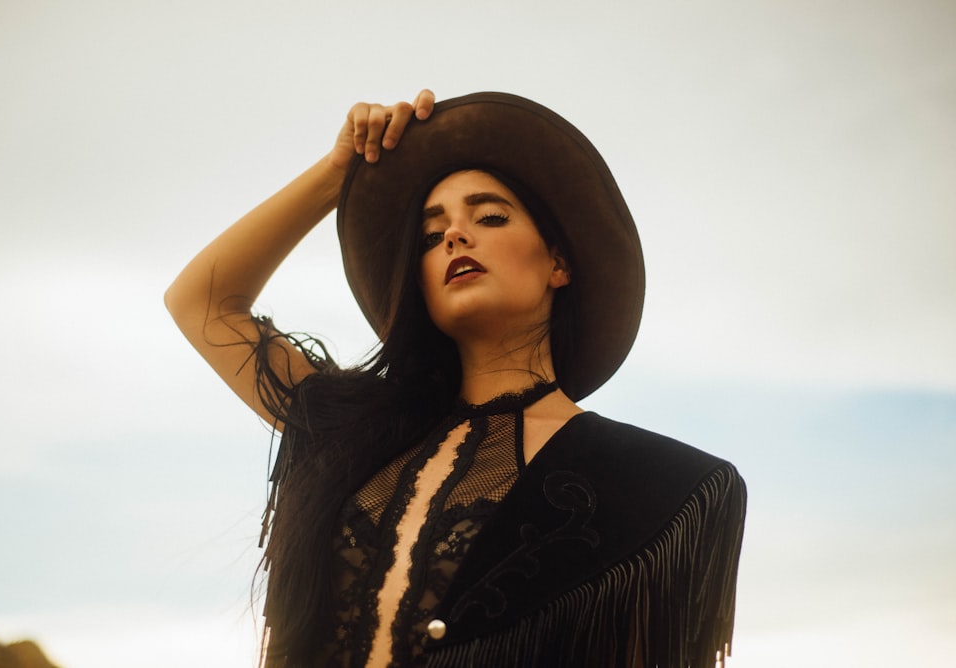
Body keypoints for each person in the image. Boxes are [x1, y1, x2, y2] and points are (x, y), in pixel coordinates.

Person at [165, 89, 746, 668]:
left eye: (489, 216)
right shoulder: (348, 428)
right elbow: (204, 304)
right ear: (418, 282)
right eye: (429, 234)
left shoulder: (662, 489)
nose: (454, 236)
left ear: (558, 264)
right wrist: (339, 171)